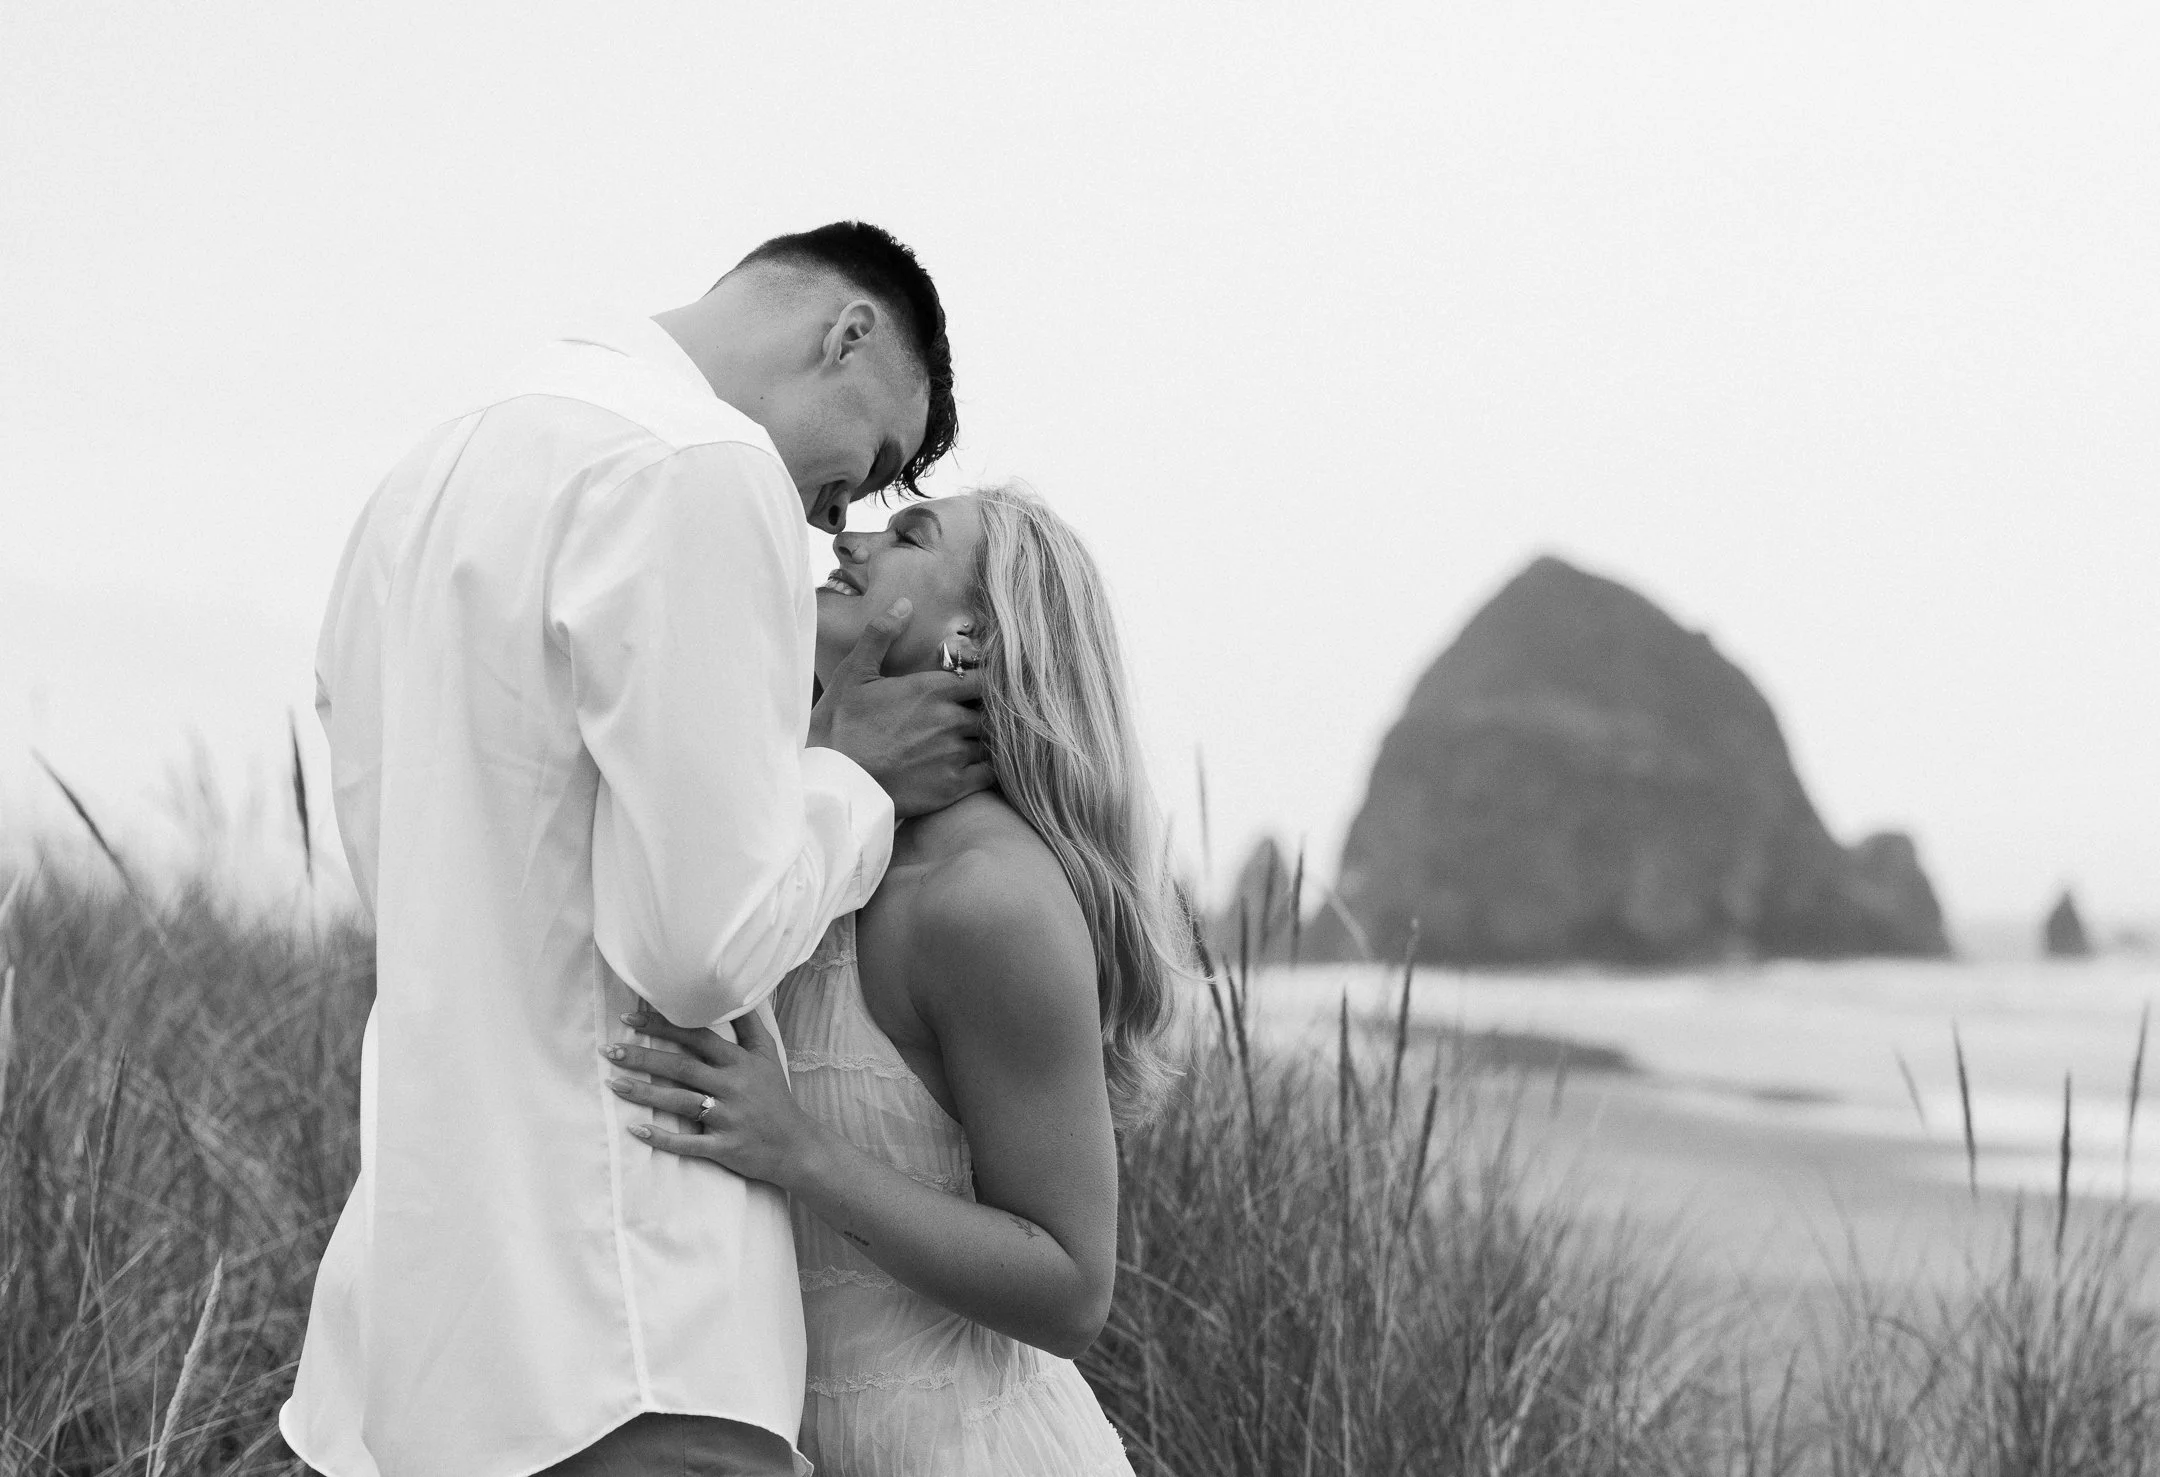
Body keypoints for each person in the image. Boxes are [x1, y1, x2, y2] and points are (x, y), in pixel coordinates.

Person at [282, 223, 988, 1477]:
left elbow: (405, 870)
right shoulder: (703, 466)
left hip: (417, 1343)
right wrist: (850, 782)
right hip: (631, 1327)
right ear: (848, 334)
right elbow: (702, 950)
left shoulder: (426, 477)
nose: (835, 515)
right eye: (870, 462)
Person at [597, 482, 1191, 1476]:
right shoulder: (801, 836)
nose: (851, 538)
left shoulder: (984, 894)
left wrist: (798, 1150)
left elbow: (1072, 1289)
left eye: (909, 535)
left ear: (971, 643)